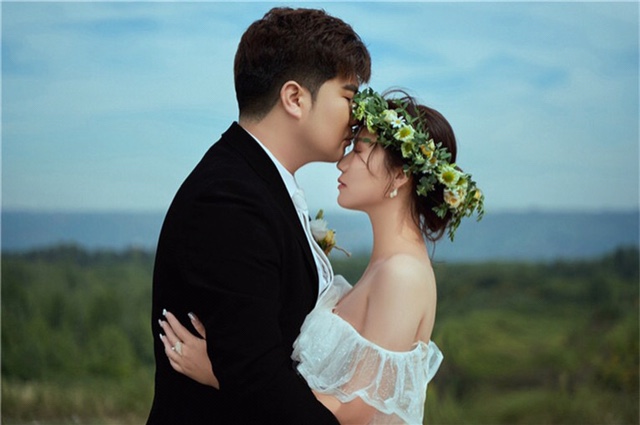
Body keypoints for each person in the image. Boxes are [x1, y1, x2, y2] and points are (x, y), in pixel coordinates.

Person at [159, 88, 485, 424]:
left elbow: (356, 411)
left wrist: (222, 375)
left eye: (359, 151)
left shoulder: (402, 274)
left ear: (400, 175)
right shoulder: (385, 267)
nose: (342, 163)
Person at [147, 6, 371, 424]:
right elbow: (256, 378)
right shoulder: (229, 200)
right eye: (349, 97)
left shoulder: (256, 182)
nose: (358, 117)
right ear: (294, 98)